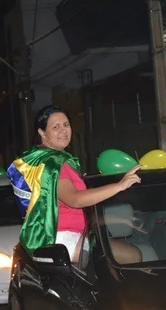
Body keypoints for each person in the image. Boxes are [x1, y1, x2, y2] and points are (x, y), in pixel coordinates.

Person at [8, 105, 142, 264]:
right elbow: (75, 200)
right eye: (55, 127)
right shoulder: (53, 164)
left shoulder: (54, 160)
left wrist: (118, 219)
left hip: (72, 235)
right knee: (133, 255)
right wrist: (119, 185)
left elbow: (74, 211)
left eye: (66, 124)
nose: (63, 130)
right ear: (42, 133)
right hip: (63, 240)